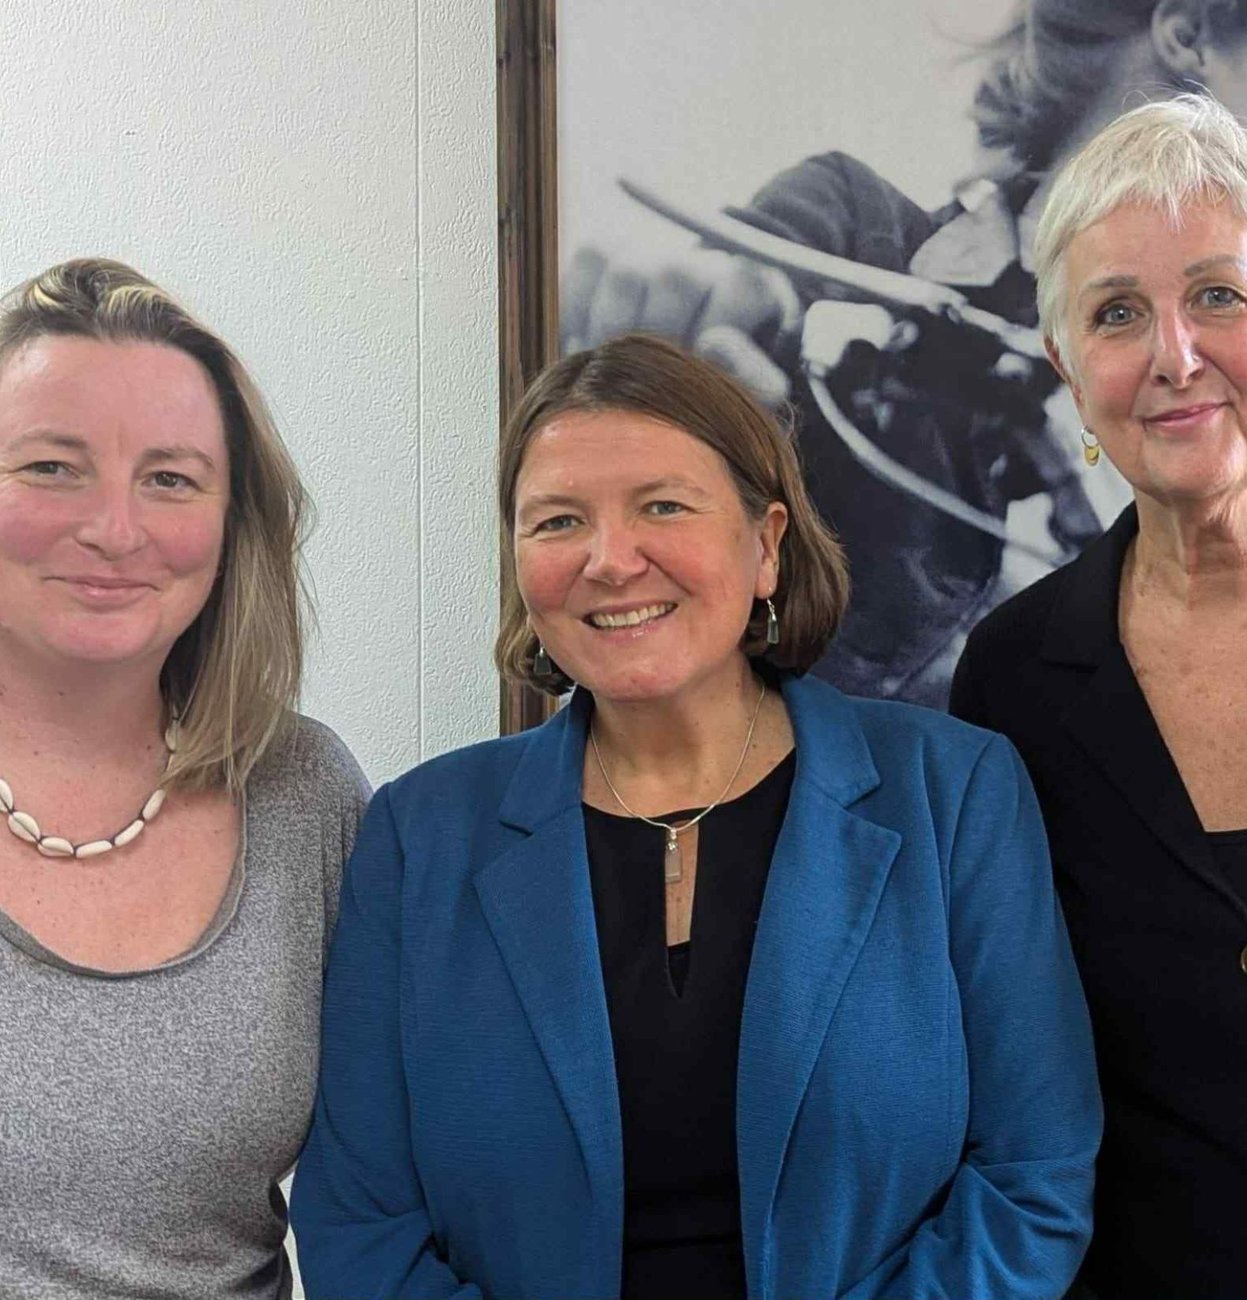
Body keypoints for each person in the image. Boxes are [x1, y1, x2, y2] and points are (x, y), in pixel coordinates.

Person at [290, 332, 1100, 1299]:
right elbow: (360, 1224)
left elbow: (1031, 1179)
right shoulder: (418, 836)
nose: (609, 560)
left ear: (766, 545)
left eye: (663, 506)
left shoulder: (954, 794)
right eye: (558, 521)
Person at [563, 0, 1247, 708]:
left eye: (1217, 296)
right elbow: (745, 293)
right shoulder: (856, 229)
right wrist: (695, 307)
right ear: (1188, 33)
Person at [950, 96, 1247, 1298]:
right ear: (1064, 367)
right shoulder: (1010, 682)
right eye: (1115, 313)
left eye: (1218, 295)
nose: (1173, 356)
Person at [0, 258, 369, 1299]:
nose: (115, 530)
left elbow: (395, 1182)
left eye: (169, 478)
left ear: (232, 522)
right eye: (51, 467)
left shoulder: (304, 792)